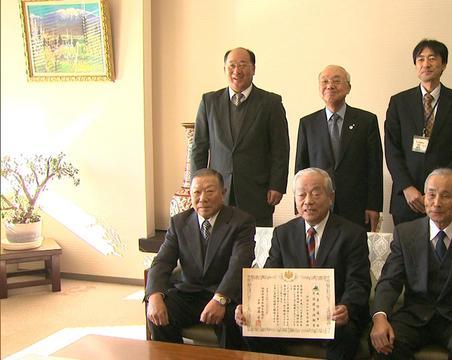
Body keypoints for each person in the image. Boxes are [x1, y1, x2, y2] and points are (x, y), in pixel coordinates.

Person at [235, 168, 372, 360]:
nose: (308, 201)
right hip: (293, 316)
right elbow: (269, 277)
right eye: (301, 194)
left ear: (330, 197)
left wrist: (346, 308)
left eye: (316, 193)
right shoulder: (282, 234)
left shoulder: (352, 234)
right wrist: (251, 305)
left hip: (333, 318)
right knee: (251, 328)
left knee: (346, 334)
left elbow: (358, 282)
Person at [370, 168, 452, 359]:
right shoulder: (405, 234)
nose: (437, 203)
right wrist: (379, 317)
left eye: (446, 196)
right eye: (431, 194)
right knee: (386, 345)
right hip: (415, 316)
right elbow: (390, 281)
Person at [145, 168, 255, 349]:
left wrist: (220, 299)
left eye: (210, 191)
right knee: (158, 314)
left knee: (235, 321)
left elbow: (239, 264)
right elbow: (163, 261)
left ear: (223, 193)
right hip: (188, 294)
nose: (202, 198)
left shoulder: (241, 222)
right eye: (196, 192)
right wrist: (154, 295)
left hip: (225, 296)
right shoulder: (179, 222)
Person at [191, 47, 289, 227]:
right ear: (224, 69)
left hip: (257, 192)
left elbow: (280, 149)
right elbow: (199, 147)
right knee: (218, 246)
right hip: (217, 192)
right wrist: (196, 188)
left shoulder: (270, 103)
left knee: (256, 245)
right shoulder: (209, 102)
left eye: (243, 65)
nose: (237, 71)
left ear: (253, 69)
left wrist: (277, 185)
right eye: (232, 65)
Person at [385, 39, 452, 225]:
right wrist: (407, 187)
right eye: (420, 59)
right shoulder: (399, 102)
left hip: (445, 199)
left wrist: (440, 191)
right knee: (407, 249)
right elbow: (391, 149)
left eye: (432, 58)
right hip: (408, 199)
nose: (426, 64)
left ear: (443, 64)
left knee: (445, 250)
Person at [295, 65, 383, 231]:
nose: (330, 85)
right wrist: (299, 205)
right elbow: (301, 167)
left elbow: (374, 167)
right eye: (325, 81)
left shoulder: (367, 121)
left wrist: (374, 205)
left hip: (356, 205)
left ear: (348, 87)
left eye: (336, 81)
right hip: (317, 204)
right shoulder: (308, 123)